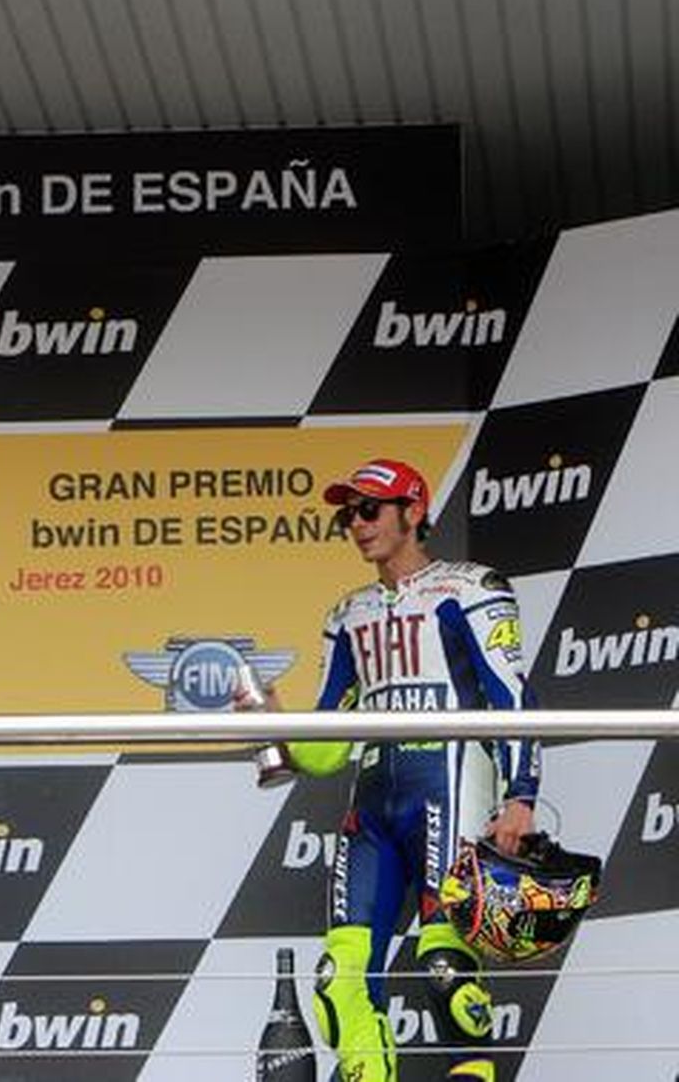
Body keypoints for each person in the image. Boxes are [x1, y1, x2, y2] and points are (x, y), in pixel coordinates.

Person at [241, 458, 540, 1082]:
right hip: (373, 801)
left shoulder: (471, 588)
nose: (358, 524)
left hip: (452, 788)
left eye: (371, 509)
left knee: (444, 968)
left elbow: (510, 694)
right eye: (349, 513)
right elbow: (328, 746)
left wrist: (522, 795)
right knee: (338, 979)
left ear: (413, 511)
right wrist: (277, 721)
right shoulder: (347, 614)